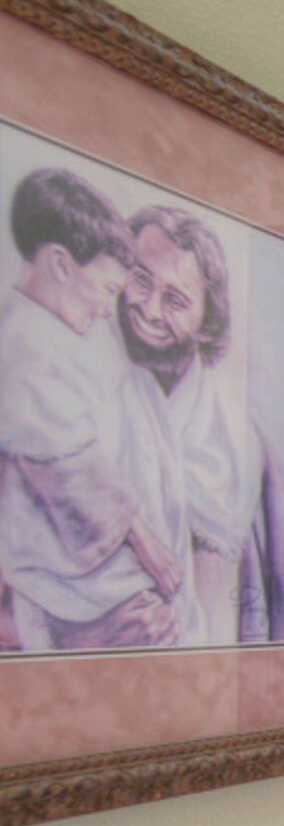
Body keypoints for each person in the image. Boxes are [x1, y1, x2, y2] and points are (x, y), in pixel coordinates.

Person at [0, 165, 187, 649]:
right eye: (107, 290)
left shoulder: (66, 328)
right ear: (60, 264)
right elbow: (70, 471)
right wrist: (145, 539)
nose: (111, 309)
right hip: (62, 578)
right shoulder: (27, 342)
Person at [117, 203, 284, 644]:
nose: (149, 310)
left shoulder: (234, 443)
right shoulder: (76, 379)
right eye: (140, 279)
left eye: (175, 300)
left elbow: (222, 629)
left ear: (207, 325)